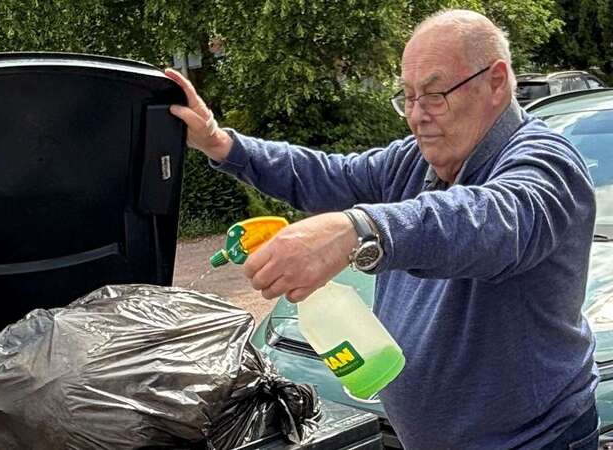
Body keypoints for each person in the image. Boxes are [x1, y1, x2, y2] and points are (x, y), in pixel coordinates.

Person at [166, 8, 599, 450]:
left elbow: (490, 222)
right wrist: (220, 142)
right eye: (407, 97)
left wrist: (359, 228)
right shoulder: (414, 159)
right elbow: (326, 175)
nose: (416, 116)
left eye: (434, 95)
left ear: (496, 81)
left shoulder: (547, 162)